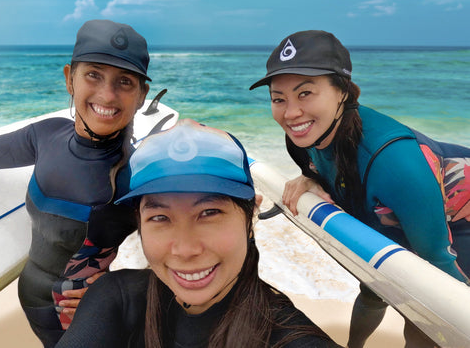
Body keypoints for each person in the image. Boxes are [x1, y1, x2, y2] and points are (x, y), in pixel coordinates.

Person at [249, 30, 470, 348]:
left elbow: (439, 266)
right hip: (403, 208)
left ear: (342, 92)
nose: (290, 112)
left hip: (459, 221)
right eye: (278, 98)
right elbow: (333, 175)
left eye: (305, 93)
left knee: (424, 324)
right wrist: (312, 180)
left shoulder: (393, 159)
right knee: (372, 288)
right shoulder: (304, 136)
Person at [0, 20, 151, 347]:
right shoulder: (46, 135)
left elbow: (192, 255)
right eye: (93, 74)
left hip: (83, 314)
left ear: (141, 95)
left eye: (124, 81)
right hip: (32, 301)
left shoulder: (138, 175)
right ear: (69, 79)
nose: (107, 94)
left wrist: (126, 292)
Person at [55, 119, 342, 348]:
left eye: (209, 213)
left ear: (251, 214)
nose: (185, 249)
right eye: (159, 217)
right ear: (139, 223)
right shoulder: (115, 296)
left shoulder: (286, 334)